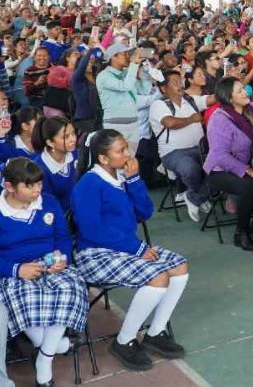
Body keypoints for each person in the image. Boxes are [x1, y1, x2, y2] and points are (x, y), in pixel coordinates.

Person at [71, 130, 188, 372]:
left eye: (126, 148)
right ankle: (124, 341)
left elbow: (144, 213)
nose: (128, 154)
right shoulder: (89, 184)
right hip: (94, 254)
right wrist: (136, 248)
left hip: (125, 249)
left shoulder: (123, 178)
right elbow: (92, 229)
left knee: (179, 267)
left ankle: (155, 332)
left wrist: (134, 181)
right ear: (103, 158)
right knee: (158, 277)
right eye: (120, 150)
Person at [0, 158, 88, 387]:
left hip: (50, 265)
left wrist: (62, 258)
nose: (37, 190)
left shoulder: (48, 202)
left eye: (38, 184)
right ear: (9, 187)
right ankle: (56, 346)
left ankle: (44, 359)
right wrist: (16, 269)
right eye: (29, 186)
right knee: (24, 299)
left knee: (70, 289)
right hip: (14, 270)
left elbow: (62, 237)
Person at [204, 77, 253, 251]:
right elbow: (219, 155)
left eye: (244, 89)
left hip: (252, 163)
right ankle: (241, 232)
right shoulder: (220, 118)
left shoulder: (251, 109)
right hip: (220, 170)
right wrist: (247, 170)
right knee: (252, 186)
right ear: (229, 98)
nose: (245, 93)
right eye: (239, 91)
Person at [150, 70, 214, 222]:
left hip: (200, 149)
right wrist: (192, 119)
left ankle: (195, 196)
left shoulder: (190, 100)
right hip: (173, 153)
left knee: (220, 168)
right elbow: (170, 123)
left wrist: (228, 84)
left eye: (180, 81)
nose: (180, 85)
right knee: (190, 168)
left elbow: (212, 99)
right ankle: (200, 195)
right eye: (175, 82)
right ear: (164, 88)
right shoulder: (158, 105)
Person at [96, 44, 149, 155]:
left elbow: (145, 90)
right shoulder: (103, 76)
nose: (127, 56)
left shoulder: (127, 73)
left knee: (130, 160)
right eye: (124, 54)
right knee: (118, 164)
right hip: (116, 126)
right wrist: (133, 65)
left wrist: (143, 69)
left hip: (134, 125)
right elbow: (125, 86)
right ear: (113, 57)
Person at [32, 117, 78, 212]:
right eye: (66, 137)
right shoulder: (40, 169)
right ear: (50, 142)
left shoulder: (75, 154)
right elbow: (47, 205)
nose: (73, 139)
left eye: (73, 133)